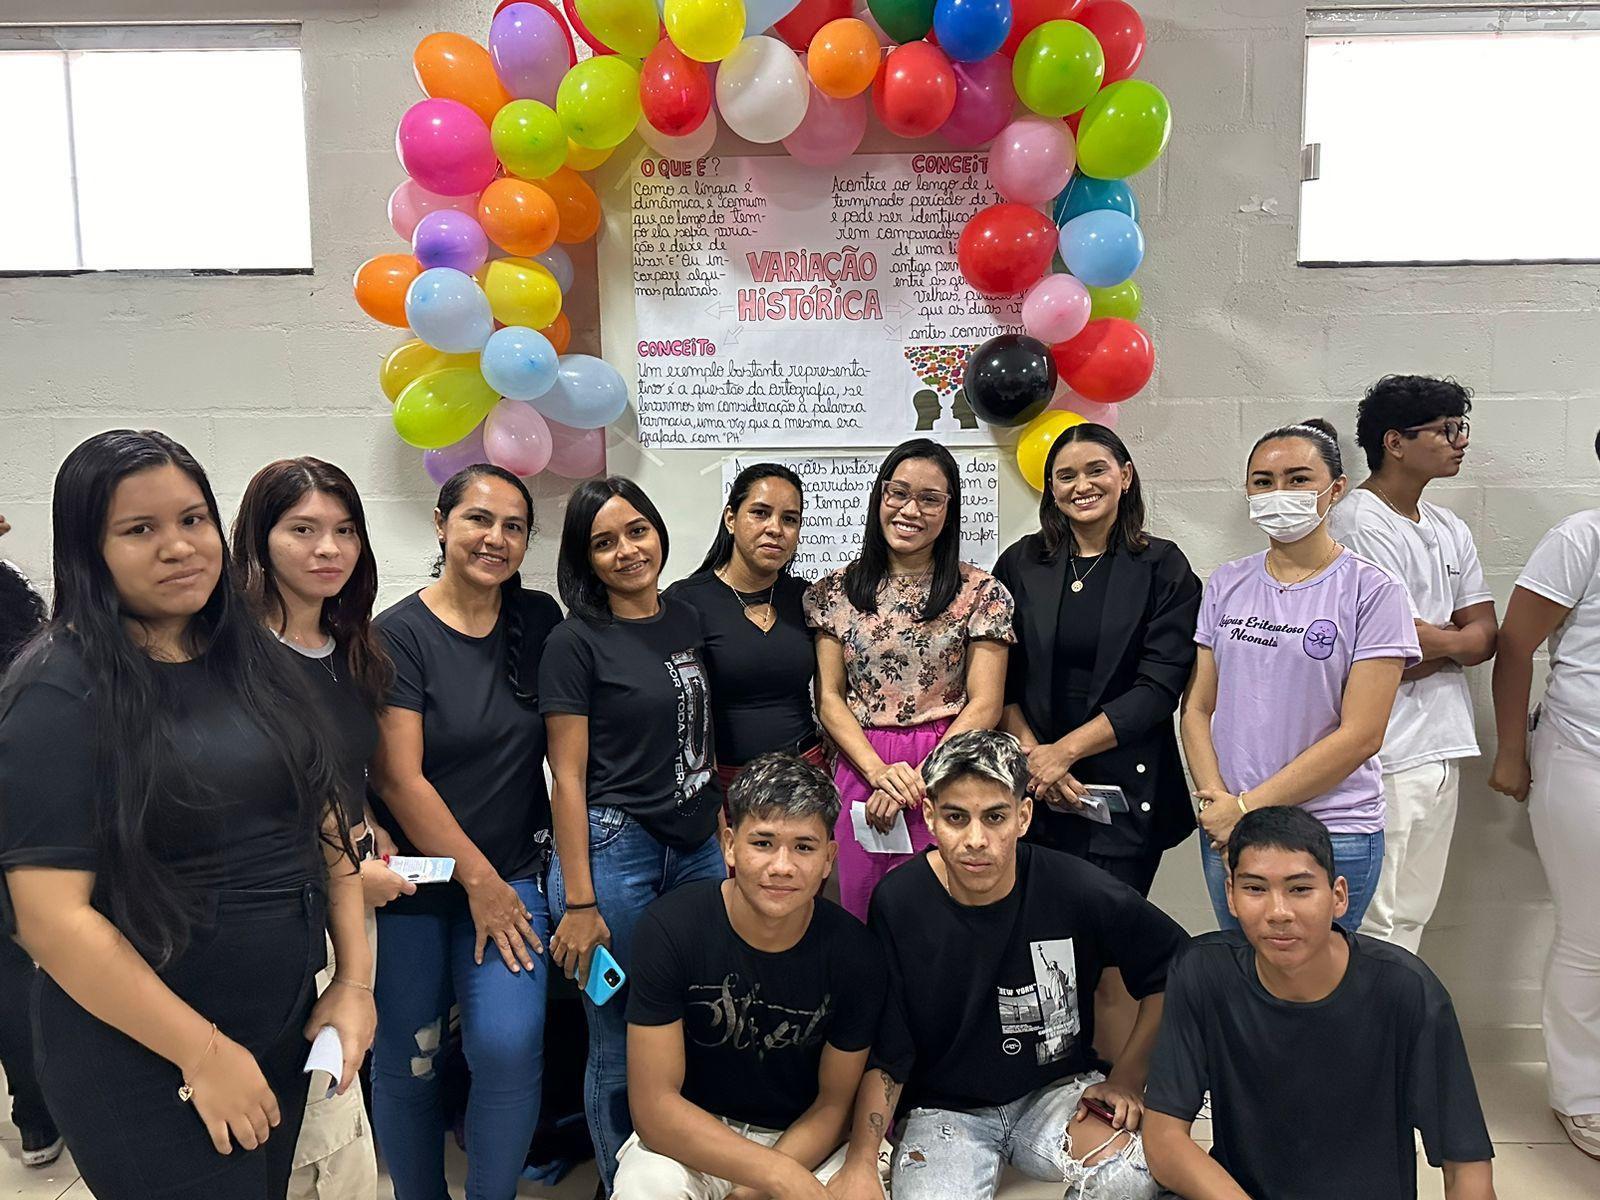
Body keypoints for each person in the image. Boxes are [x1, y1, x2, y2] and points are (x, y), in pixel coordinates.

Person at [0, 430, 373, 1200]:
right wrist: (200, 1054)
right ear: (87, 549)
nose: (178, 548)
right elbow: (51, 920)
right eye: (140, 530)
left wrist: (354, 983)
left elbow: (330, 820)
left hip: (277, 1027)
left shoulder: (249, 656)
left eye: (193, 520)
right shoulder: (58, 689)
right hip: (143, 1052)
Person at [828, 730, 1187, 1200]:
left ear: (1023, 816)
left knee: (1137, 1176)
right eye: (957, 818)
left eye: (994, 817)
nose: (976, 840)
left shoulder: (1075, 886)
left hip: (1056, 1092)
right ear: (931, 817)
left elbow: (1176, 966)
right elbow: (889, 1049)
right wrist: (860, 1161)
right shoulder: (901, 901)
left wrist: (1127, 1078)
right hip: (945, 1112)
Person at [367, 463, 563, 1200]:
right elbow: (398, 779)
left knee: (508, 1047)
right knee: (410, 1057)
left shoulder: (539, 620)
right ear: (442, 524)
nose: (496, 538)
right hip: (416, 882)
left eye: (515, 526)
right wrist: (475, 882)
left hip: (512, 872)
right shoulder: (398, 636)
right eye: (479, 519)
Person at [1142, 806, 1497, 1200]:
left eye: (1300, 889)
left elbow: (1466, 1168)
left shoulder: (1405, 990)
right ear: (1231, 895)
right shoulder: (1202, 973)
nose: (1279, 913)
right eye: (1255, 888)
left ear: (1338, 896)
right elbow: (1164, 1138)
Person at [232, 457, 418, 1198]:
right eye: (302, 530)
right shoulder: (238, 659)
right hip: (282, 914)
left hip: (349, 905)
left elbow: (341, 769)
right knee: (315, 1134)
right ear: (258, 539)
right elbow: (246, 806)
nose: (327, 549)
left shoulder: (350, 648)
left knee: (338, 1110)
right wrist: (344, 870)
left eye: (344, 531)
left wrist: (369, 828)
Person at [541, 476, 727, 1195]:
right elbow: (569, 779)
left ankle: (682, 1171)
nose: (626, 551)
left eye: (636, 531)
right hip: (614, 852)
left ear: (658, 531)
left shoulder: (682, 616)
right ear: (585, 560)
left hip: (696, 846)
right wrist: (580, 903)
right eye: (604, 543)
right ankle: (623, 1181)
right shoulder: (574, 641)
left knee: (699, 1016)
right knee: (619, 1034)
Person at [994, 423, 1199, 1060]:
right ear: (1050, 488)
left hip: (1123, 793)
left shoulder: (1162, 565)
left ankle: (1114, 1076)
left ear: (1126, 475)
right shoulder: (1022, 562)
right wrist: (1036, 758)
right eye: (1065, 475)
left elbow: (1159, 686)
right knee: (1042, 940)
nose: (1081, 485)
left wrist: (1064, 753)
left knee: (1109, 948)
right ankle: (1056, 1071)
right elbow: (1001, 677)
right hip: (1036, 789)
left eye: (1096, 470)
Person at [1180, 420, 1418, 932]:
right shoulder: (1226, 582)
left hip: (1332, 831)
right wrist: (1218, 806)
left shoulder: (1373, 591)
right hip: (1228, 831)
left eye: (1297, 479)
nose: (1278, 493)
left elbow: (1361, 735)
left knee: (1319, 991)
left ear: (1335, 489)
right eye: (1263, 481)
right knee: (1245, 982)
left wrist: (1245, 808)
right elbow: (1197, 708)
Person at [614, 753, 885, 1199]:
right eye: (762, 843)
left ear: (828, 859)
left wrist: (757, 1187)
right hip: (694, 1135)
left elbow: (834, 1104)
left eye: (804, 846)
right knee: (645, 1189)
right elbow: (655, 1107)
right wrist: (776, 1177)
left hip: (804, 1139)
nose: (782, 866)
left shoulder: (855, 953)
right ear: (729, 844)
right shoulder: (670, 928)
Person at [804, 439, 1014, 919]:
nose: (909, 510)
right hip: (862, 762)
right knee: (863, 906)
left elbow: (985, 704)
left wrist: (917, 783)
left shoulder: (982, 593)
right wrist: (880, 774)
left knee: (943, 906)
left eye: (930, 499)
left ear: (950, 509)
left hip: (949, 766)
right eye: (897, 493)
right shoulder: (835, 591)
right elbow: (830, 698)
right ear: (880, 497)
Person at [1327, 377, 1497, 953]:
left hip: (1444, 744)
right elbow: (1385, 652)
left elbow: (1485, 636)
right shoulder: (1357, 522)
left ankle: (1396, 1039)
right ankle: (1363, 1042)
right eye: (1447, 430)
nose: (1460, 442)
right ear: (1395, 442)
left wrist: (1435, 640)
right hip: (1387, 751)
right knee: (1375, 919)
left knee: (1415, 917)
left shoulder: (1450, 527)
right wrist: (1441, 639)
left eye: (1460, 428)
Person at [1488, 434, 1600, 1159]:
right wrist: (1511, 753)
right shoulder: (1582, 536)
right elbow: (1515, 645)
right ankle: (1583, 1098)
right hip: (1586, 756)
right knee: (1592, 937)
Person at [667, 464, 821, 791]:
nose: (775, 528)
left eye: (789, 519)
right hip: (723, 783)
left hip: (806, 774)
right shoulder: (685, 602)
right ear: (731, 519)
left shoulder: (806, 598)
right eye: (760, 513)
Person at [0, 526, 59, 1168]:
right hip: (13, 778)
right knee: (16, 956)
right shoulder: (8, 585)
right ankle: (38, 1114)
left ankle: (35, 1118)